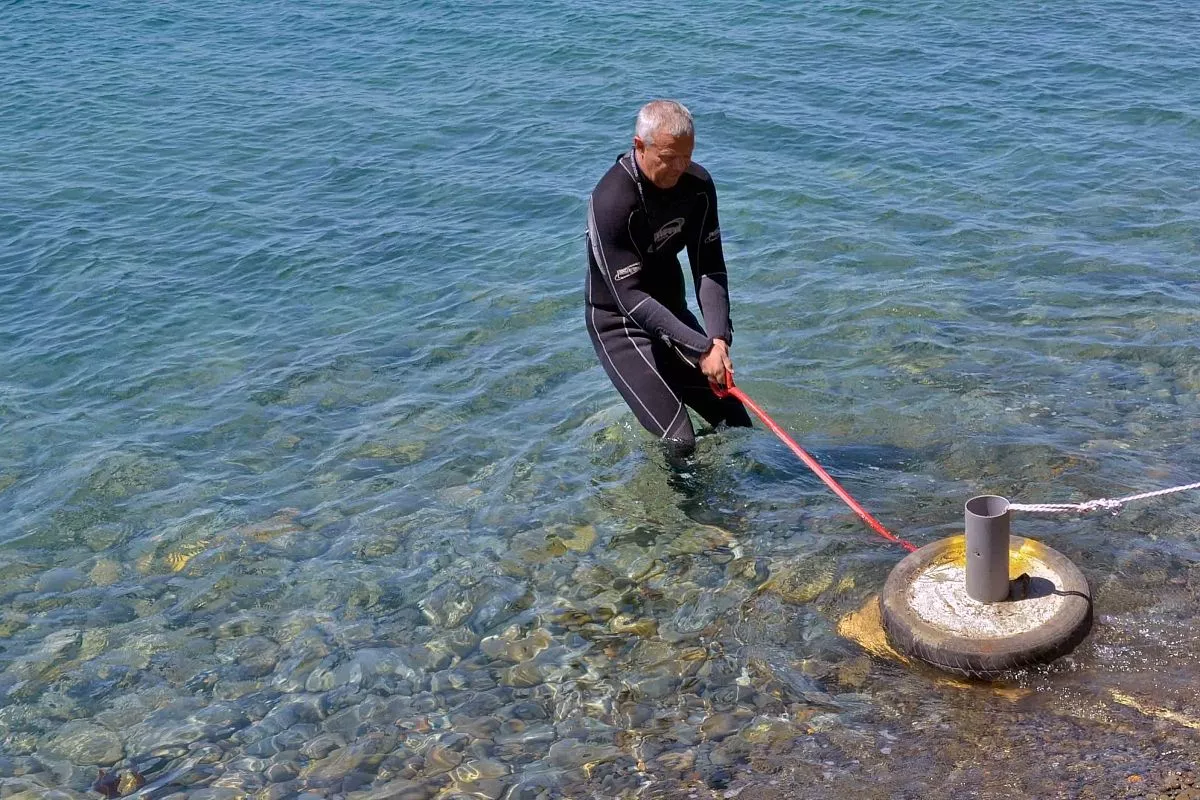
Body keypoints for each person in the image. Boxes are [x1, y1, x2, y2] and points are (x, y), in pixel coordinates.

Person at [585, 99, 752, 457]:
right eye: (668, 158)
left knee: (736, 423)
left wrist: (718, 340)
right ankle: (680, 514)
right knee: (681, 441)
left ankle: (747, 504)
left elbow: (710, 266)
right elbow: (629, 296)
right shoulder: (611, 201)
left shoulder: (698, 187)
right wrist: (700, 348)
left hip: (670, 312)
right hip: (619, 324)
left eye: (686, 156)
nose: (679, 167)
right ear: (639, 146)